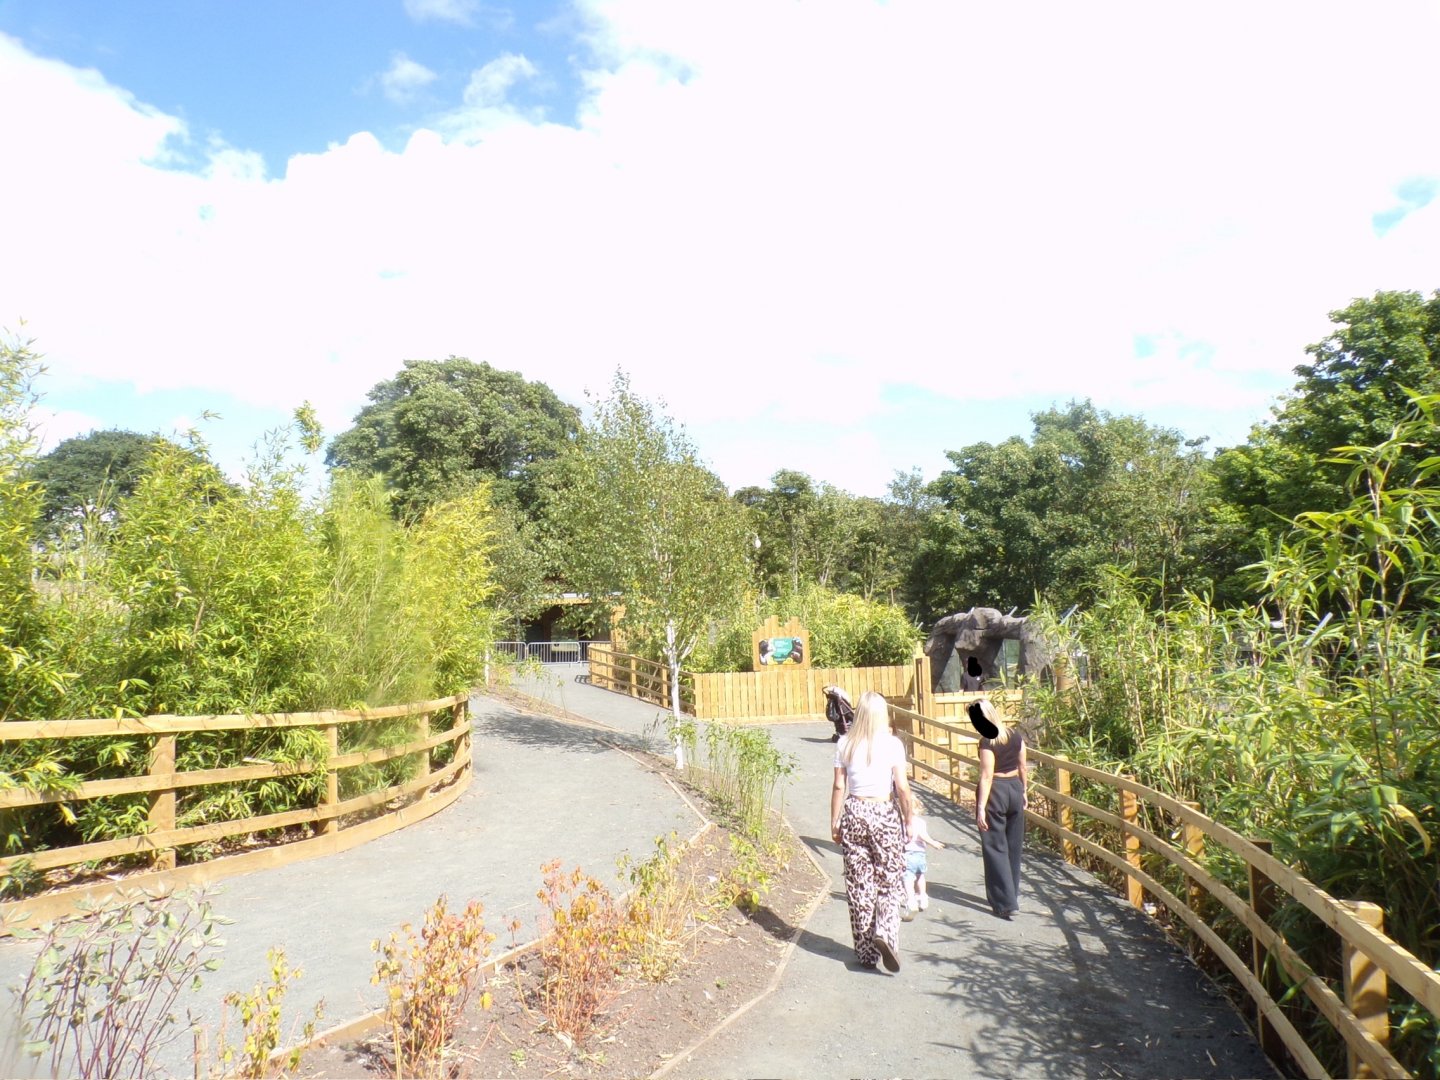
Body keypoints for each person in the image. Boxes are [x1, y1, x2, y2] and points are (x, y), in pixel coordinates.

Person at [830, 690, 915, 972]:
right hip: (884, 813)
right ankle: (886, 932)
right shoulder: (893, 745)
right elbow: (902, 788)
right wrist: (909, 819)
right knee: (889, 879)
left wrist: (834, 820)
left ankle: (866, 953)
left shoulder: (844, 743)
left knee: (859, 884)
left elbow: (839, 786)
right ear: (883, 715)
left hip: (854, 811)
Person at [972, 698, 1028, 919]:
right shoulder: (1015, 735)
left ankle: (1004, 902)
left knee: (995, 846)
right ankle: (1012, 893)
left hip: (996, 790)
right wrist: (1024, 791)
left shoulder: (988, 741)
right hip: (1014, 787)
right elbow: (1023, 765)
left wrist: (980, 807)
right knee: (1014, 845)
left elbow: (986, 776)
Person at [901, 803, 945, 920]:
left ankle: (911, 900)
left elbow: (921, 835)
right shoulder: (920, 822)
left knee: (908, 878)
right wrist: (933, 842)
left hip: (907, 854)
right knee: (920, 876)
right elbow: (924, 835)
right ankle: (922, 897)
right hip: (920, 855)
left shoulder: (902, 821)